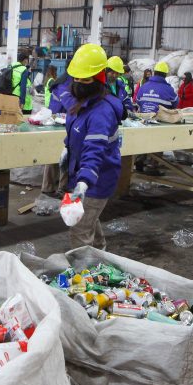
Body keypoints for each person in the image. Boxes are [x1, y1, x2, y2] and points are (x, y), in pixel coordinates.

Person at [60, 44, 123, 250]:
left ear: (98, 80)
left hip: (97, 177)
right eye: (76, 79)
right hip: (80, 173)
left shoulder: (101, 112)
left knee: (79, 228)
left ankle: (82, 275)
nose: (78, 83)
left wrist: (84, 182)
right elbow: (76, 134)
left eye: (85, 80)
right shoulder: (83, 103)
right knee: (90, 218)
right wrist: (66, 149)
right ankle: (100, 254)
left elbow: (94, 149)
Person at [135, 62, 179, 175]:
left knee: (142, 142)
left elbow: (137, 100)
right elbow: (175, 103)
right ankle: (151, 166)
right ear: (165, 75)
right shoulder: (168, 89)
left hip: (143, 122)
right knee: (157, 144)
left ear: (154, 73)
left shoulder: (144, 86)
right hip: (159, 123)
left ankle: (139, 162)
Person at [41, 60, 73, 197]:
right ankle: (63, 187)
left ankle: (48, 187)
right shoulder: (70, 83)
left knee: (51, 154)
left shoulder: (60, 81)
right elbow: (71, 106)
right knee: (66, 155)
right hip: (63, 123)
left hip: (52, 120)